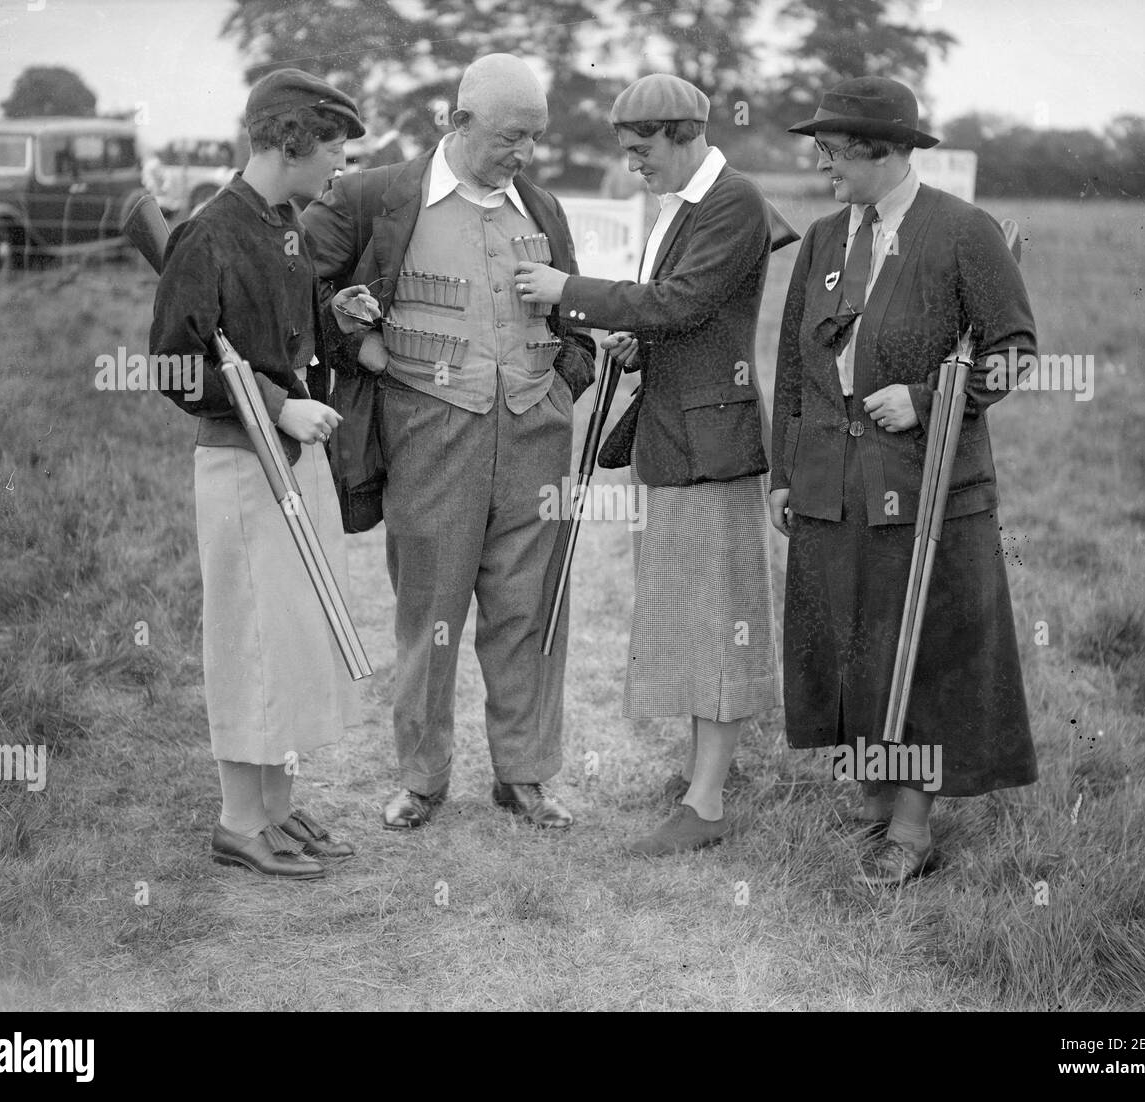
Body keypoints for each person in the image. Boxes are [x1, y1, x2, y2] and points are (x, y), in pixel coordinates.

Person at [302, 54, 596, 832]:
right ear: (457, 123)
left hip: (536, 435)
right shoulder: (373, 198)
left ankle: (525, 776)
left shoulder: (544, 206)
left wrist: (566, 382)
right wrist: (359, 350)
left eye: (535, 137)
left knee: (531, 611)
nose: (524, 154)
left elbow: (576, 317)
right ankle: (423, 780)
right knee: (429, 612)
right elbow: (296, 290)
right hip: (430, 432)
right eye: (510, 136)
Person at [769, 76, 1039, 886]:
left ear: (882, 152)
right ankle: (878, 796)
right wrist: (785, 473)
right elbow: (792, 365)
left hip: (924, 488)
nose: (824, 169)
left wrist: (925, 400)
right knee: (850, 645)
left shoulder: (964, 231)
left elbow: (1014, 352)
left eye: (834, 153)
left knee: (916, 649)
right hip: (828, 484)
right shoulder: (822, 238)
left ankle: (913, 829)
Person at [516, 74, 781, 855]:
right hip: (678, 437)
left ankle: (705, 803)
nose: (632, 164)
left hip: (712, 444)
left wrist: (571, 291)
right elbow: (678, 313)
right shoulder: (687, 204)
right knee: (690, 618)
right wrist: (644, 341)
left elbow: (684, 302)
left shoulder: (733, 200)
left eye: (641, 150)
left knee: (719, 620)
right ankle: (700, 779)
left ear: (682, 134)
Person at [150, 69, 379, 879]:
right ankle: (238, 821)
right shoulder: (208, 233)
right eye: (333, 150)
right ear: (289, 143)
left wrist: (341, 317)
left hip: (292, 461)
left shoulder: (282, 222)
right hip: (244, 465)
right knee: (249, 638)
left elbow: (292, 330)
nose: (339, 167)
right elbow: (175, 369)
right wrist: (280, 405)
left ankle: (278, 806)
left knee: (289, 637)